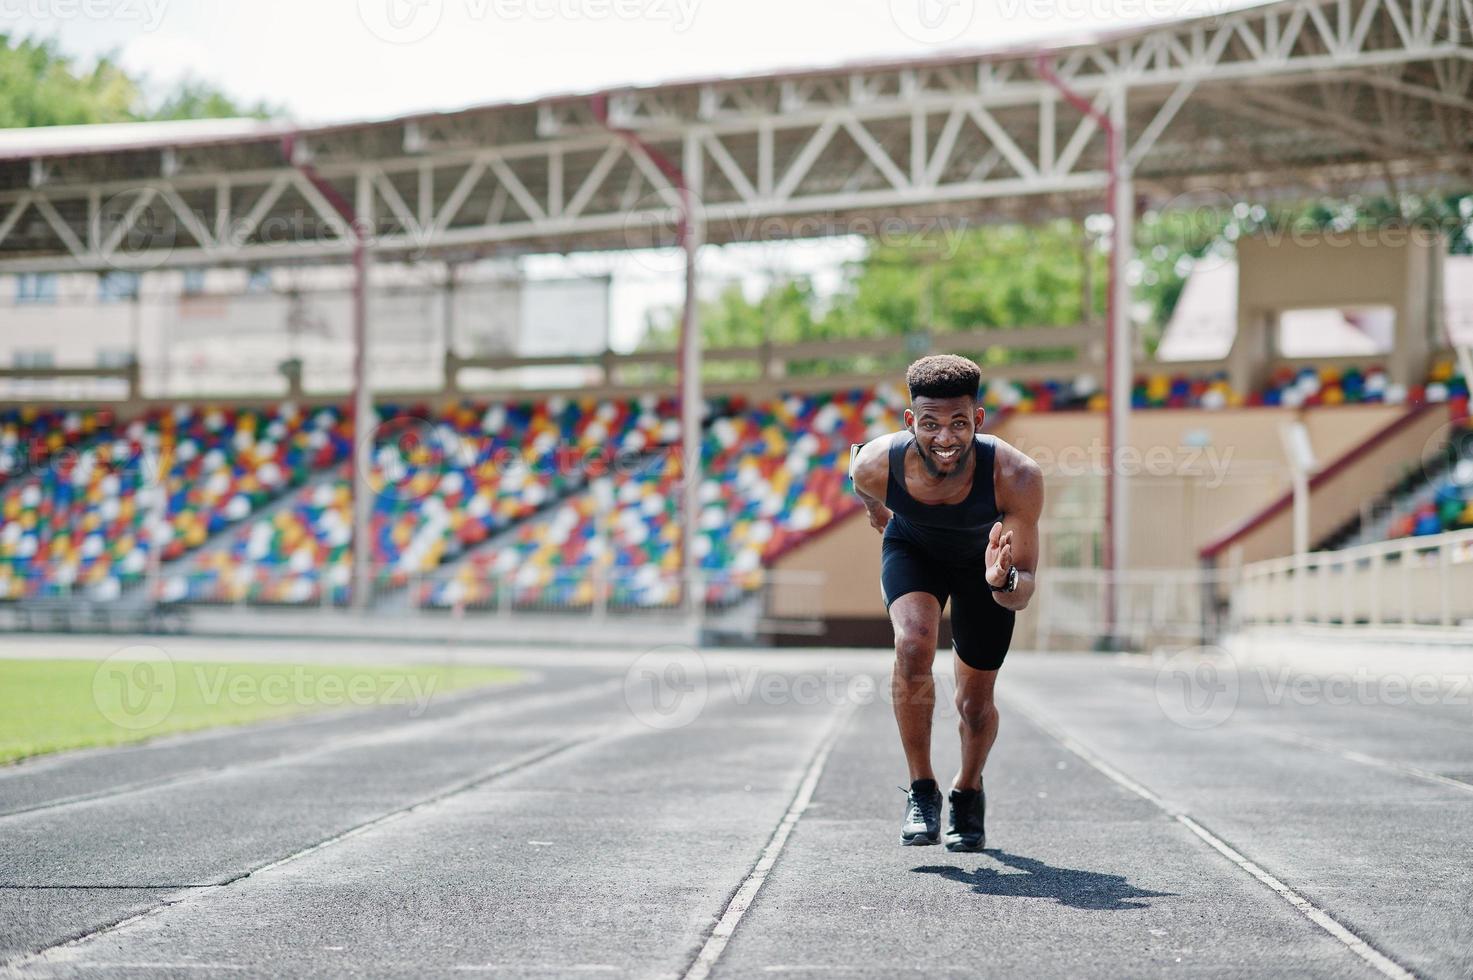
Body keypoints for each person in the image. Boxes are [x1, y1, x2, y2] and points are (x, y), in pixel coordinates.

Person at [849, 354, 1042, 851]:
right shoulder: (875, 465)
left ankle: (967, 790)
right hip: (915, 550)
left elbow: (1022, 594)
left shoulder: (1016, 476)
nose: (945, 438)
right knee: (913, 645)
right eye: (930, 424)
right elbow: (860, 481)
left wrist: (1002, 579)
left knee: (974, 705)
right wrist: (879, 514)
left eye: (959, 423)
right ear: (911, 421)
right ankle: (922, 790)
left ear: (978, 419)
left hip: (986, 566)